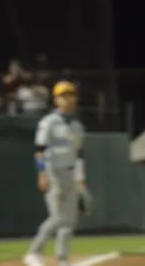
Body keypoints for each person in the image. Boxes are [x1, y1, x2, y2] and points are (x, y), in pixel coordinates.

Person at [23, 81, 92, 266]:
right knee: (57, 217)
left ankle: (62, 258)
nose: (68, 99)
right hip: (53, 170)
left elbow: (79, 154)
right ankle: (34, 252)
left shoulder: (77, 126)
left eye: (71, 95)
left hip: (70, 172)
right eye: (63, 96)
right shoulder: (48, 122)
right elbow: (39, 150)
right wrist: (42, 174)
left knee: (69, 220)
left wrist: (81, 179)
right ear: (56, 100)